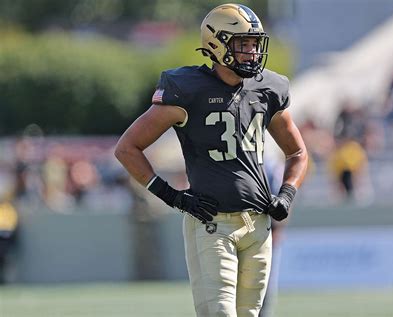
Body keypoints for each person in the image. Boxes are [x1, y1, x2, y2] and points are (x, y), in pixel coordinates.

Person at [114, 4, 308, 316]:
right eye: (243, 44)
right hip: (211, 224)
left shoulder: (268, 88)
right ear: (216, 44)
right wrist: (172, 196)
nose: (252, 53)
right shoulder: (187, 89)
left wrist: (287, 193)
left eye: (255, 44)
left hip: (258, 226)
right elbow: (127, 147)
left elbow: (297, 152)